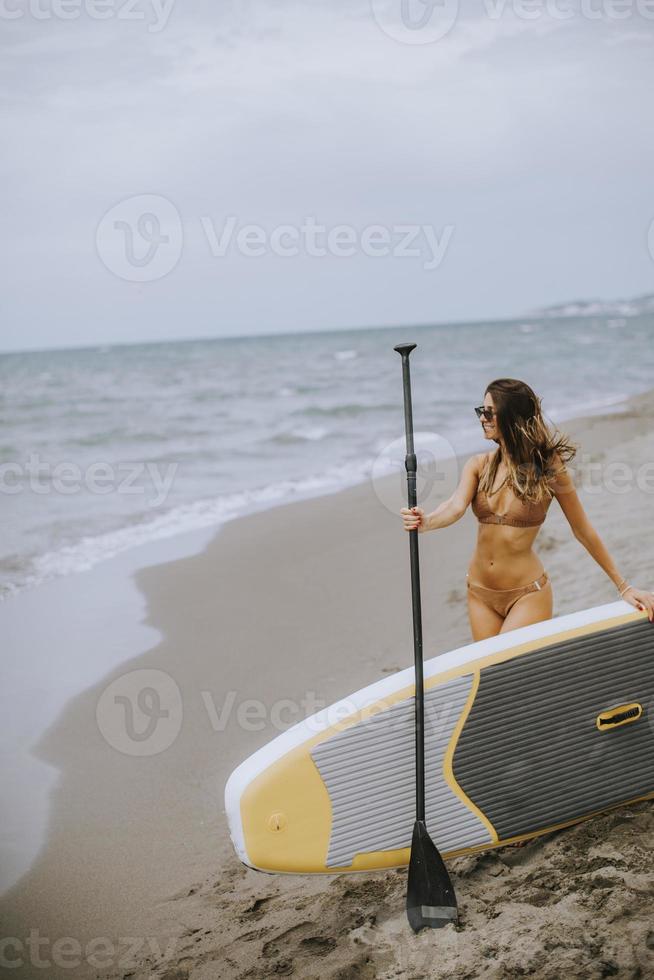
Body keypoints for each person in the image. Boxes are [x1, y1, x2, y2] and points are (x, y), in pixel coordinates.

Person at [400, 378, 654, 640]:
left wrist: (624, 587)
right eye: (480, 411)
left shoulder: (548, 468)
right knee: (491, 677)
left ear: (511, 416)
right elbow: (453, 507)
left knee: (508, 671)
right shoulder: (479, 465)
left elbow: (582, 529)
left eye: (488, 412)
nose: (481, 418)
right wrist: (427, 522)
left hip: (527, 595)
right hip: (479, 593)